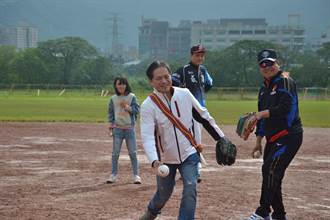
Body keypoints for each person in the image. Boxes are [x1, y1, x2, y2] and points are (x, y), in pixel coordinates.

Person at [139, 61, 229, 220]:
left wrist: (221, 138)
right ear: (151, 81)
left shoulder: (185, 94)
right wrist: (154, 161)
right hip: (165, 160)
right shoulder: (148, 106)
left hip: (189, 153)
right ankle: (152, 212)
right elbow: (147, 136)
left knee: (190, 186)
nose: (164, 81)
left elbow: (203, 116)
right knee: (163, 194)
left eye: (166, 76)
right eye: (158, 78)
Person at [246, 49, 303, 220]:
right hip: (273, 138)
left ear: (277, 63)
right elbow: (262, 118)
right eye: (263, 64)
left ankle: (263, 212)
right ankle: (279, 215)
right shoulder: (264, 89)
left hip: (289, 135)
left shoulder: (285, 81)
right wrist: (258, 142)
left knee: (270, 171)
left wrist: (261, 114)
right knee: (272, 174)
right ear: (259, 67)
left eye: (270, 63)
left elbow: (285, 109)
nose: (267, 67)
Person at [172, 44, 213, 182]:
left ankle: (196, 171)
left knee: (196, 140)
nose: (200, 57)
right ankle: (186, 170)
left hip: (198, 111)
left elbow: (209, 84)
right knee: (184, 140)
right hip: (184, 111)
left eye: (202, 55)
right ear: (191, 55)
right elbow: (173, 85)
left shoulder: (203, 70)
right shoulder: (183, 70)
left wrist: (199, 96)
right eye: (197, 55)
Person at [106, 76, 141, 184]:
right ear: (116, 86)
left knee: (133, 153)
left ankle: (136, 175)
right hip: (117, 129)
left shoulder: (132, 97)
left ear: (126, 85)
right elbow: (111, 112)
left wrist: (128, 107)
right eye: (119, 84)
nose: (121, 86)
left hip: (129, 129)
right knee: (115, 153)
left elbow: (137, 110)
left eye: (123, 84)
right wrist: (111, 124)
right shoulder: (113, 98)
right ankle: (113, 175)